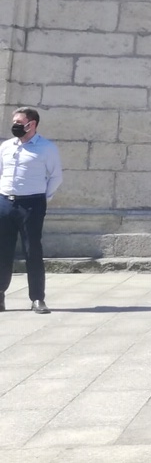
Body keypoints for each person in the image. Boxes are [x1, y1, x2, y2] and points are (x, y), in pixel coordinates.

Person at [0, 107, 63, 314]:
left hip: (31, 205)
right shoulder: (6, 146)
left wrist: (43, 198)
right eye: (14, 121)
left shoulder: (46, 148)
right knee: (3, 251)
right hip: (5, 203)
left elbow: (55, 177)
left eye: (20, 122)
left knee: (32, 251)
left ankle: (37, 298)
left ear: (32, 124)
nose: (15, 125)